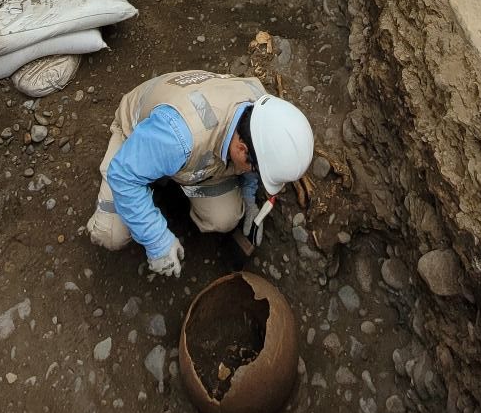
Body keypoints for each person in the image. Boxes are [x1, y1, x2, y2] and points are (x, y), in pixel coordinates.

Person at [87, 71, 314, 277]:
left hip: (194, 153)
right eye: (254, 169)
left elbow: (258, 160)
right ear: (241, 149)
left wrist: (249, 197)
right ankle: (151, 176)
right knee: (110, 234)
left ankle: (163, 175)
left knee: (224, 217)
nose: (253, 174)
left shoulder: (261, 112)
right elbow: (123, 176)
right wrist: (157, 240)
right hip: (139, 135)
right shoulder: (178, 136)